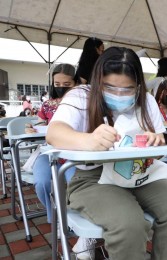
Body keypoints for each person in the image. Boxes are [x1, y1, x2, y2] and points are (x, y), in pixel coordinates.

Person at [46, 47, 167, 260]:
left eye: (128, 89)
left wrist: (155, 142)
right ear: (98, 81)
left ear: (139, 86)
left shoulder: (147, 101)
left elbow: (159, 146)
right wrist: (88, 140)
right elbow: (54, 132)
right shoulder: (81, 96)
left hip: (140, 172)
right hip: (94, 179)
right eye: (109, 87)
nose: (119, 95)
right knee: (129, 223)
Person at [24, 64, 97, 259]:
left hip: (74, 155)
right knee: (42, 182)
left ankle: (84, 232)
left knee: (81, 188)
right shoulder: (48, 104)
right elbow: (41, 124)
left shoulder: (84, 102)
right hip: (49, 153)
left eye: (67, 83)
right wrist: (33, 127)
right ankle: (55, 218)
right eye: (57, 84)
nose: (61, 87)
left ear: (76, 83)